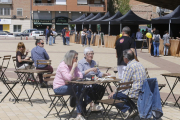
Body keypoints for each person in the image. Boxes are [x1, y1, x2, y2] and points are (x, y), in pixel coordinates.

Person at [109, 49, 146, 119]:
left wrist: (114, 92)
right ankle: (134, 109)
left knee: (114, 97)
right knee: (122, 94)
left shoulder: (129, 66)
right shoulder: (139, 64)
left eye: (123, 57)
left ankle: (130, 109)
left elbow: (124, 83)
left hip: (135, 92)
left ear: (125, 58)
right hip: (143, 90)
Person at [53, 50, 86, 120]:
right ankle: (87, 105)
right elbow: (68, 78)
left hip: (69, 86)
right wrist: (73, 68)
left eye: (77, 58)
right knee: (80, 89)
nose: (77, 59)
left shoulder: (74, 64)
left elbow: (80, 76)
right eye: (75, 58)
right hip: (59, 87)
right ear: (70, 58)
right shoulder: (63, 65)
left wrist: (72, 79)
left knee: (80, 90)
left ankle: (79, 114)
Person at [78, 47, 110, 111]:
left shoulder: (94, 62)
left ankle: (95, 104)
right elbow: (80, 74)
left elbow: (98, 73)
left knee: (102, 88)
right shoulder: (81, 63)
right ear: (84, 55)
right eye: (89, 54)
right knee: (89, 91)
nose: (91, 55)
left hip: (92, 83)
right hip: (84, 84)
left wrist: (104, 74)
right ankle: (85, 104)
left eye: (92, 53)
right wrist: (89, 70)